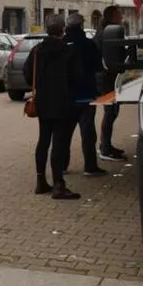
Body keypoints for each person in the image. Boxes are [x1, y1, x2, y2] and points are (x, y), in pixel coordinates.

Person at [23, 13, 83, 200]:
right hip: (63, 102)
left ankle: (41, 180)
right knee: (59, 142)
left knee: (43, 140)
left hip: (43, 101)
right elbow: (77, 78)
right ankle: (58, 184)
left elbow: (27, 74)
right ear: (62, 29)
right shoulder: (68, 51)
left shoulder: (37, 51)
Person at [63, 13, 107, 177]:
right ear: (81, 25)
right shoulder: (88, 44)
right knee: (88, 132)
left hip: (66, 97)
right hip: (86, 94)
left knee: (64, 133)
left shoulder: (61, 45)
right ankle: (90, 166)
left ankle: (62, 165)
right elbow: (98, 66)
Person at [93, 5, 127, 162]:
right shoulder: (107, 33)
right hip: (106, 78)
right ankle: (105, 148)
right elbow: (112, 55)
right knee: (110, 111)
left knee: (112, 111)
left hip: (108, 77)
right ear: (112, 17)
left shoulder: (107, 31)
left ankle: (106, 145)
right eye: (119, 15)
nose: (122, 17)